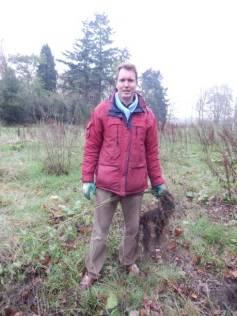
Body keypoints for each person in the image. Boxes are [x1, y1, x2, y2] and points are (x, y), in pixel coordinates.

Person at [80, 63, 166, 289]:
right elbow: (91, 147)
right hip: (106, 185)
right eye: (122, 80)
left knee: (133, 228)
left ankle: (128, 261)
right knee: (100, 231)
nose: (126, 84)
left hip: (135, 186)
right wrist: (88, 179)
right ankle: (92, 271)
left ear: (136, 84)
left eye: (130, 80)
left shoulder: (147, 116)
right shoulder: (102, 111)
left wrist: (157, 181)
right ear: (116, 83)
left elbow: (152, 152)